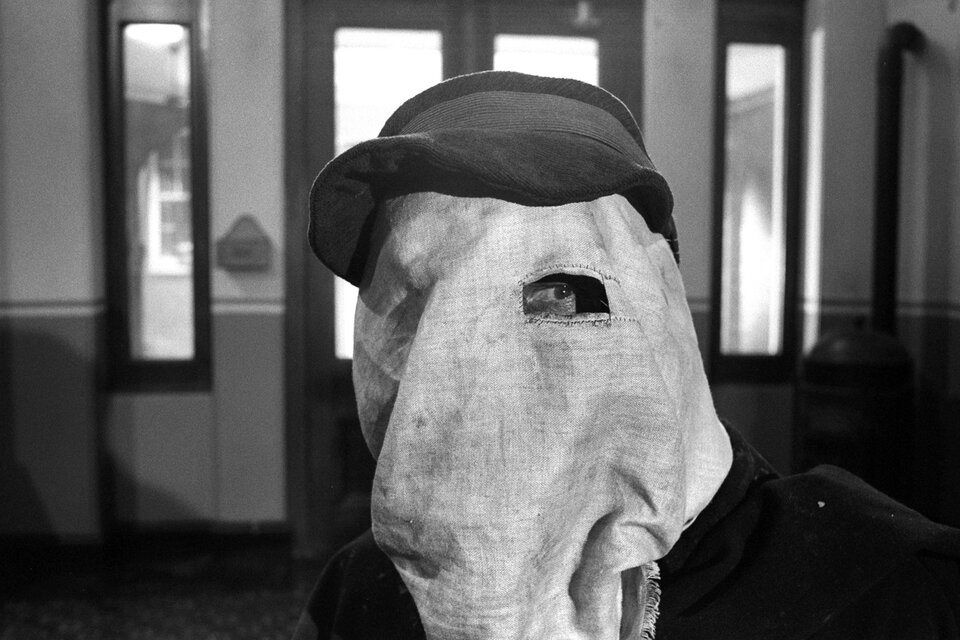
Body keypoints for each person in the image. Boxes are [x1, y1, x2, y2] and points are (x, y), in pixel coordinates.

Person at [293, 71, 960, 640]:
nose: (481, 358)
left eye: (559, 296)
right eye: (425, 306)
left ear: (657, 311)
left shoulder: (876, 587)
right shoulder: (361, 593)